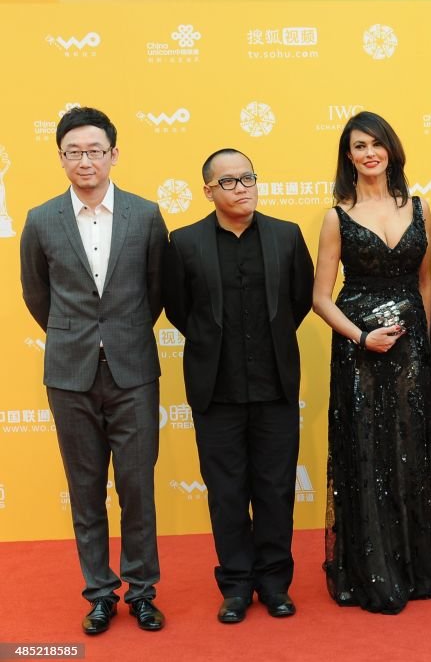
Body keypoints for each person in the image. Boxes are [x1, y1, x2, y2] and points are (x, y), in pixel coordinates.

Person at [20, 106, 167, 634]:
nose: (85, 160)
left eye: (95, 150)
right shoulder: (40, 220)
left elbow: (156, 290)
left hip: (132, 371)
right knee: (85, 490)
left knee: (137, 489)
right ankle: (100, 593)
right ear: (61, 158)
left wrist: (118, 333)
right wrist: (79, 335)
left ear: (114, 154)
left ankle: (143, 592)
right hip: (69, 373)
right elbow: (37, 294)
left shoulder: (146, 215)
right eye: (74, 152)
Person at [312, 112, 431, 615]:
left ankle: (417, 560)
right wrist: (361, 337)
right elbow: (321, 298)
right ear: (348, 156)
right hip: (361, 354)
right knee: (369, 453)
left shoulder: (420, 208)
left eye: (377, 143)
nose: (369, 153)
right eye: (359, 146)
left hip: (412, 351)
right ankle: (373, 566)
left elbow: (424, 285)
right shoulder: (337, 216)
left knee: (411, 449)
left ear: (391, 150)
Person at [163, 149, 313, 622]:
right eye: (229, 182)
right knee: (226, 493)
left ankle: (274, 583)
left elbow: (299, 300)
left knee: (275, 489)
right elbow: (178, 308)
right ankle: (235, 584)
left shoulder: (286, 237)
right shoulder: (184, 242)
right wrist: (212, 345)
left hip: (275, 389)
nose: (242, 187)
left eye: (248, 177)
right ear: (207, 190)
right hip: (216, 391)